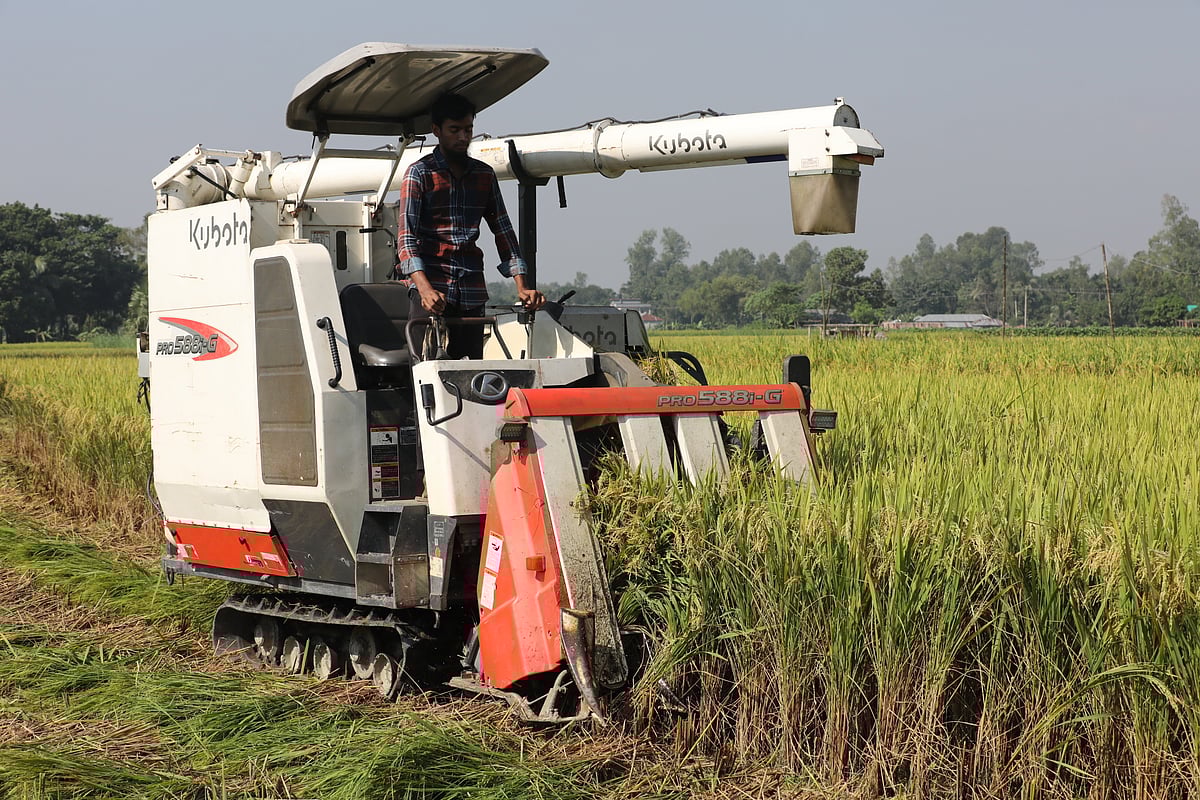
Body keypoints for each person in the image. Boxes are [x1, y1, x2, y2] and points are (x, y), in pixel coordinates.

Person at [396, 92, 545, 359]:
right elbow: (406, 241)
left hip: (471, 287)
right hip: (430, 286)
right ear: (437, 131)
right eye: (455, 130)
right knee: (424, 368)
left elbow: (504, 232)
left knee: (472, 369)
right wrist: (425, 289)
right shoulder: (419, 174)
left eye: (468, 130)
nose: (463, 137)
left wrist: (522, 286)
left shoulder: (484, 175)